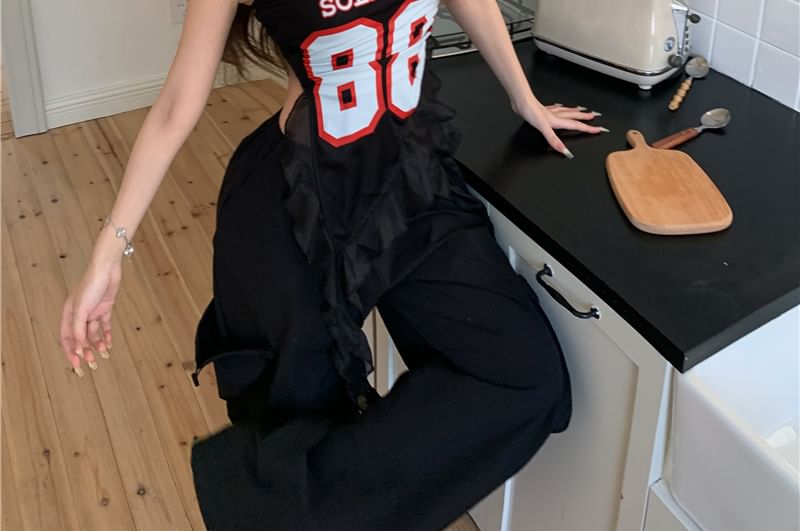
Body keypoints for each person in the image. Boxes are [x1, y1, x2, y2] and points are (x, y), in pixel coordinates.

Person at [59, 0, 608, 529]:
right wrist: (109, 251)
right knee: (296, 417)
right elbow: (177, 104)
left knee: (523, 376)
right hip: (300, 198)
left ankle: (265, 513)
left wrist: (524, 98)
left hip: (411, 182)